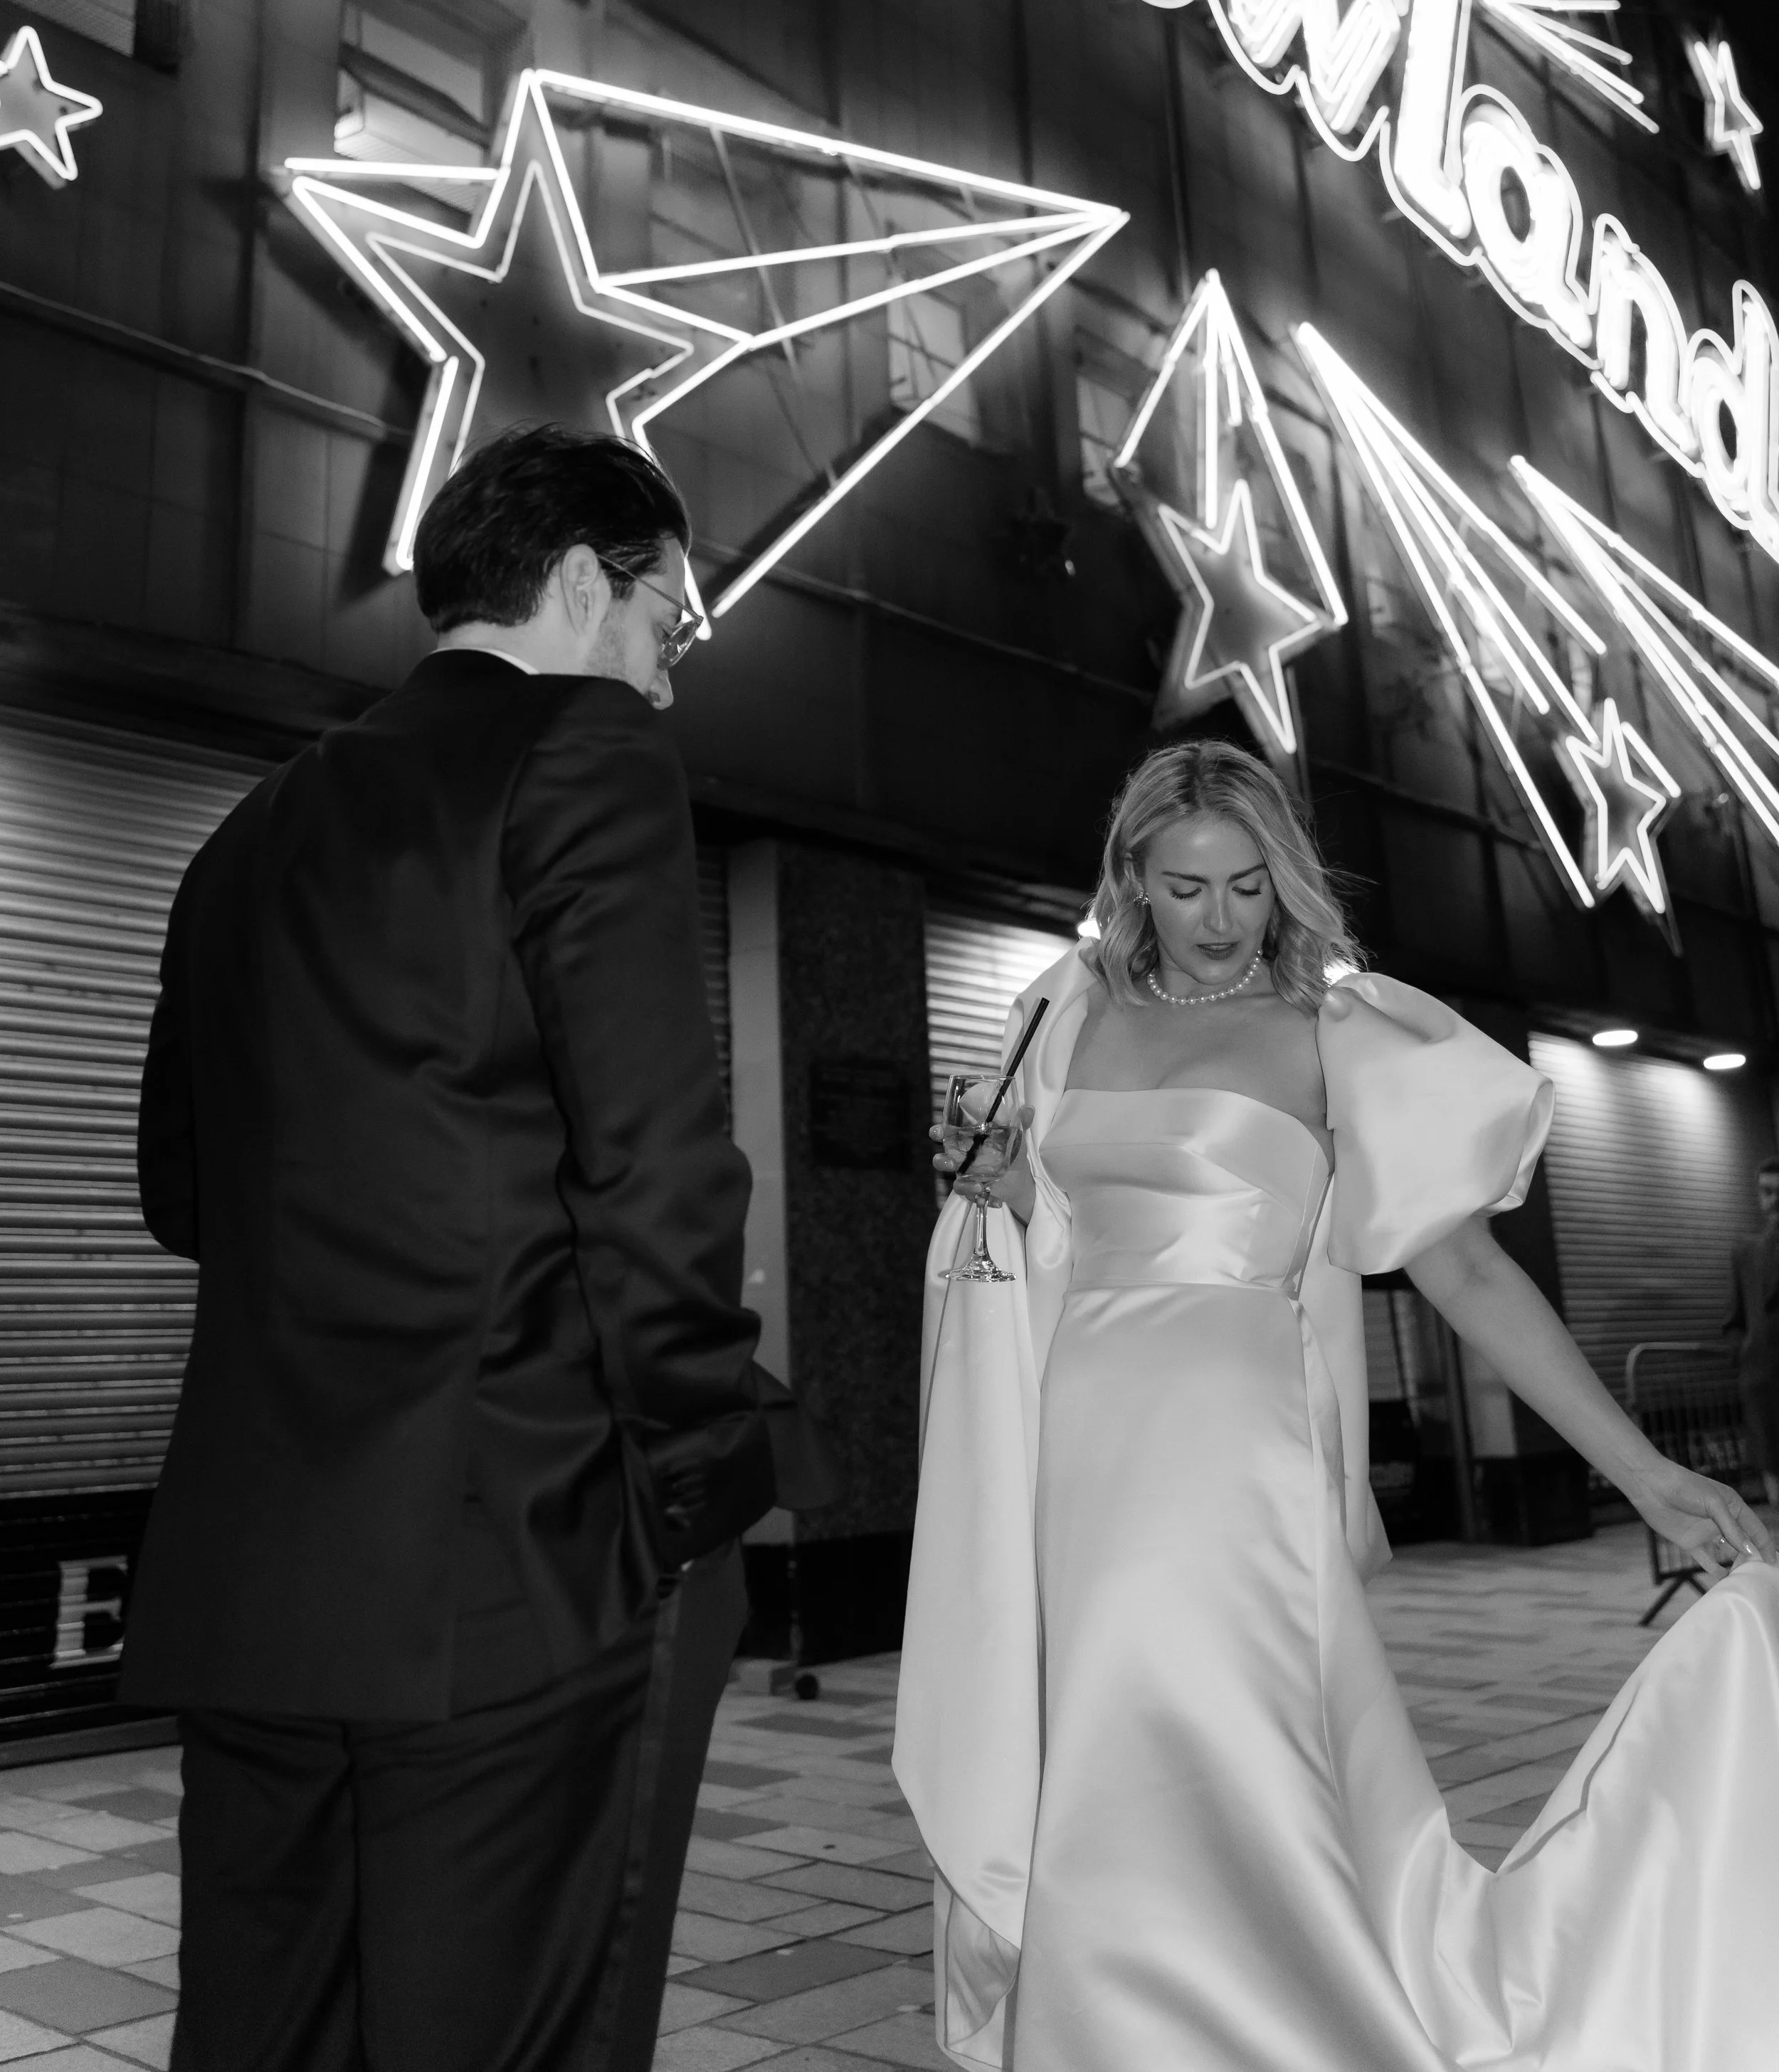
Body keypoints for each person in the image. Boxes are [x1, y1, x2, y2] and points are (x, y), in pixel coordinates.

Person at [894, 739, 1779, 2072]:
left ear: (1283, 881)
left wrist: (1643, 1471)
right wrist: (1006, 1182)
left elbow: (1471, 1275)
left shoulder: (1339, 1028)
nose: (1219, 919)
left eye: (1249, 886)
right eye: (1186, 887)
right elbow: (1052, 1238)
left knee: (1205, 1730)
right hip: (1071, 1438)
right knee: (1092, 1734)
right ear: (1131, 877)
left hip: (1236, 1450)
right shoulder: (1059, 1014)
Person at [123, 423, 779, 2072]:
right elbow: (661, 1162)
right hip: (519, 1550)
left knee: (267, 2031)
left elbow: (178, 1194)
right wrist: (701, 1468)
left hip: (260, 1567)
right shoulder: (584, 750)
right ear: (581, 578)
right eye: (667, 622)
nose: (668, 674)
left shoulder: (249, 831)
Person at [1727, 1156, 1779, 1507]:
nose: (1773, 1200)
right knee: (1773, 1468)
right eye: (1766, 1192)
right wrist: (1745, 1358)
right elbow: (1735, 1317)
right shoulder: (1746, 1252)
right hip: (1763, 1378)